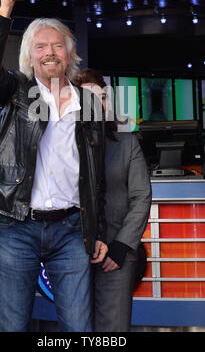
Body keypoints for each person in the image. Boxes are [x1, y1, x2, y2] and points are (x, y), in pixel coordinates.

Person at [0, 0, 108, 332]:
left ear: (70, 53)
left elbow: (97, 175)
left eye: (58, 45)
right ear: (30, 58)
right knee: (13, 324)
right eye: (40, 47)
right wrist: (5, 8)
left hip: (71, 229)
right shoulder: (17, 92)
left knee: (79, 326)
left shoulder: (88, 103)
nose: (50, 51)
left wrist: (99, 230)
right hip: (16, 225)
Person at [74, 69, 152, 332]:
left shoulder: (128, 143)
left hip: (116, 255)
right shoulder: (64, 145)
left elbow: (141, 197)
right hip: (72, 255)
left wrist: (121, 246)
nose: (100, 104)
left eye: (103, 98)